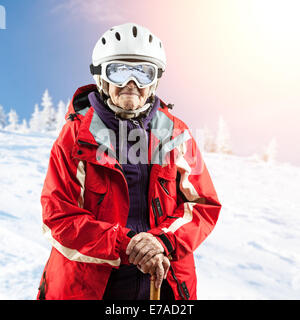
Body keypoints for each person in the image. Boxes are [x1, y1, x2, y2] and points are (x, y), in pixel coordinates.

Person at [37, 23, 222, 300]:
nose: (131, 84)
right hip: (91, 286)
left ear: (155, 80)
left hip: (163, 282)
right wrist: (128, 245)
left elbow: (202, 205)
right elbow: (58, 216)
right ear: (102, 77)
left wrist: (161, 241)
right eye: (119, 71)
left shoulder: (176, 134)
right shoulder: (76, 136)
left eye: (143, 73)